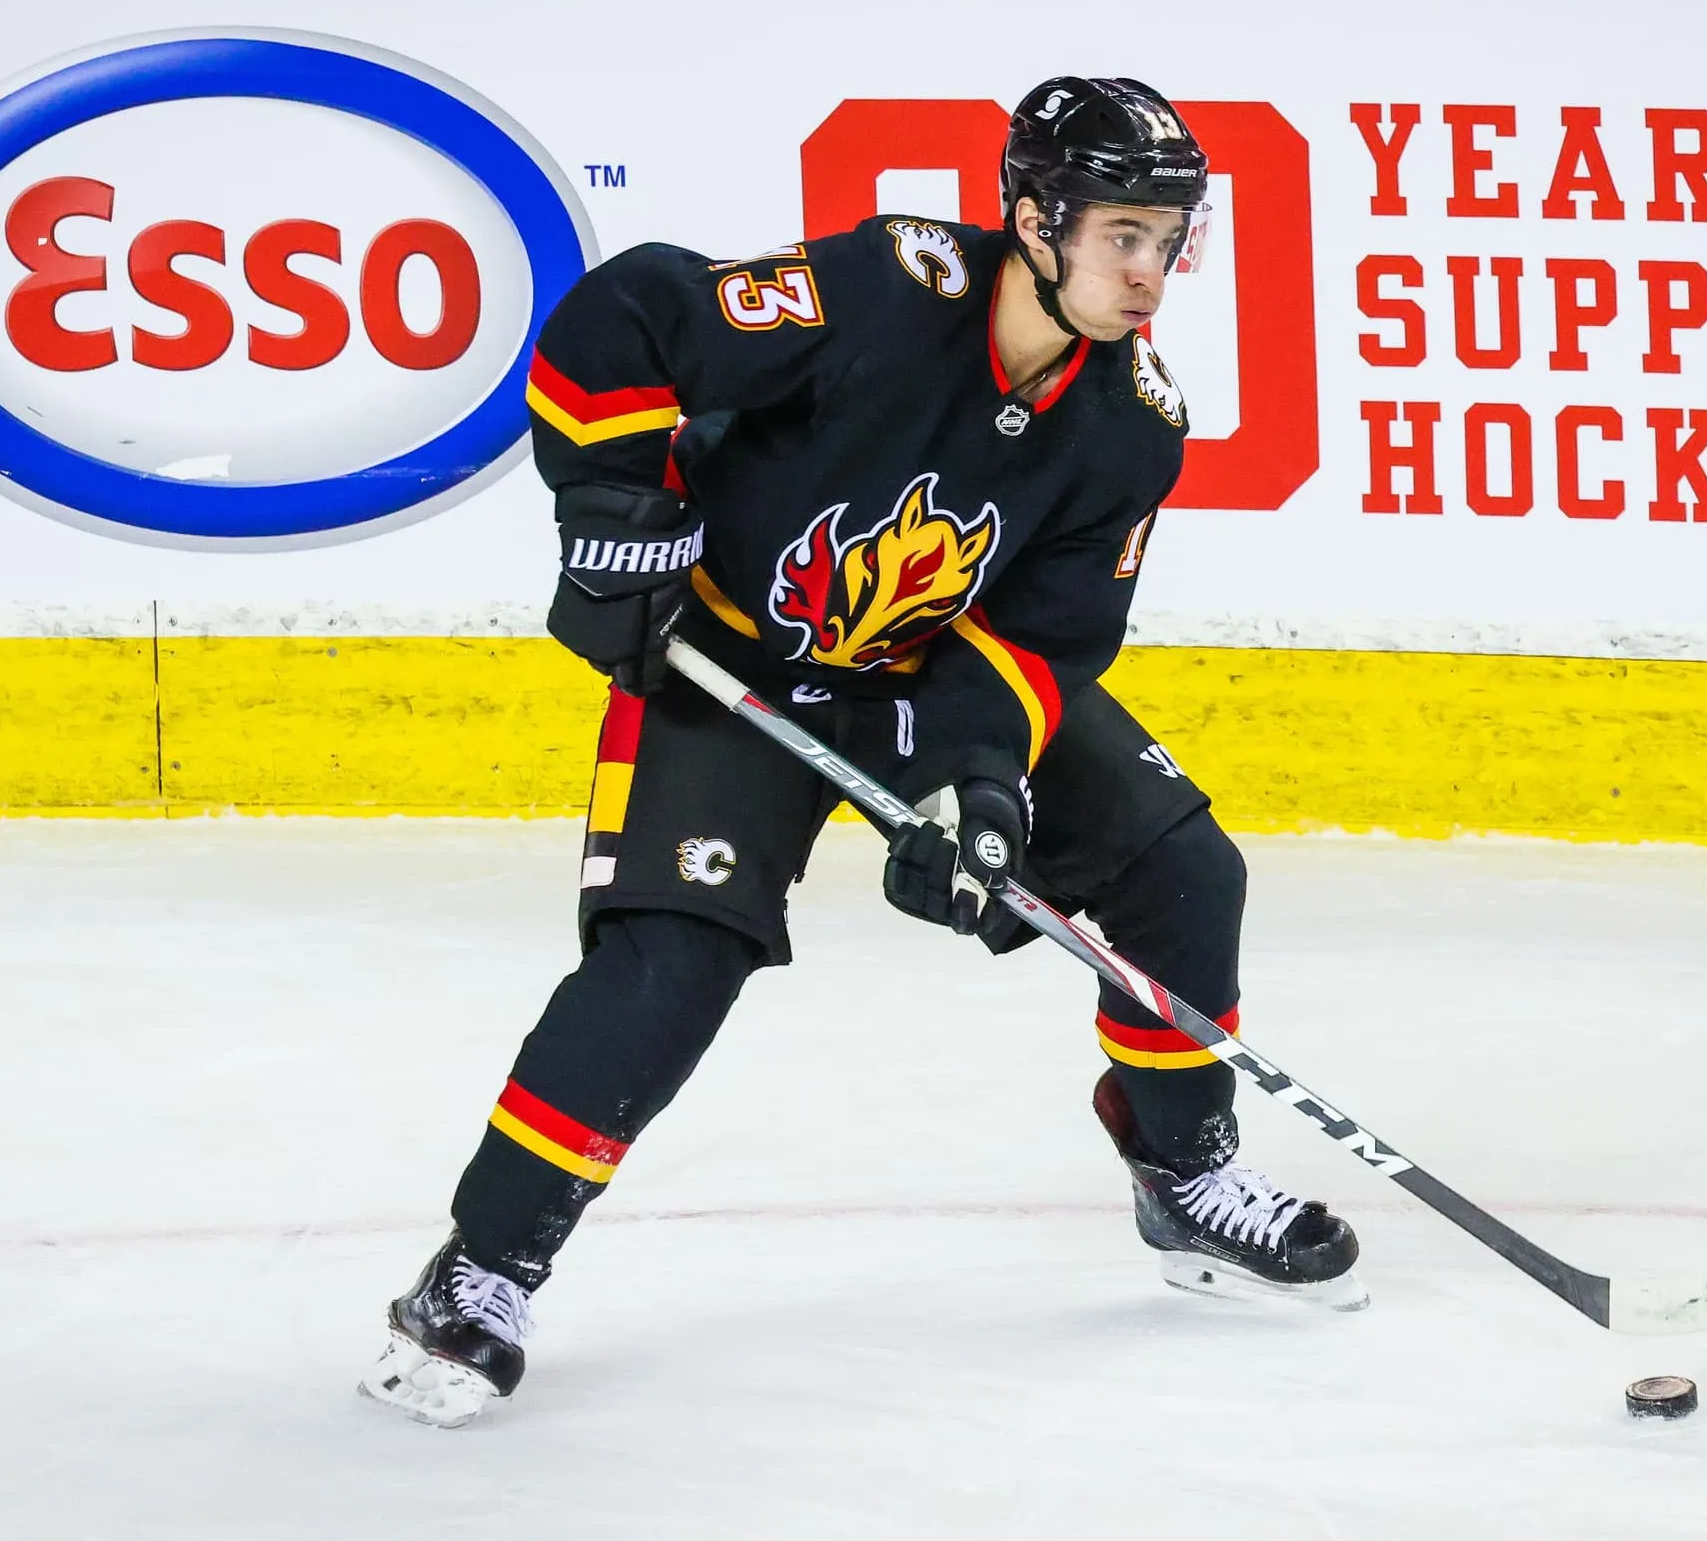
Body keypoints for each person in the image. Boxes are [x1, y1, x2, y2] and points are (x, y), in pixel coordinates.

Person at [360, 76, 1363, 1429]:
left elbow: (1040, 638)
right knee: (673, 959)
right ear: (1032, 216)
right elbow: (635, 312)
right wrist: (613, 504)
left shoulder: (1134, 421)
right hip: (727, 664)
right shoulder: (894, 286)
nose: (1152, 271)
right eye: (1122, 233)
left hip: (911, 676)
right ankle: (482, 1268)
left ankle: (1182, 1168)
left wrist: (977, 783)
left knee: (1186, 871)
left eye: (1167, 237)